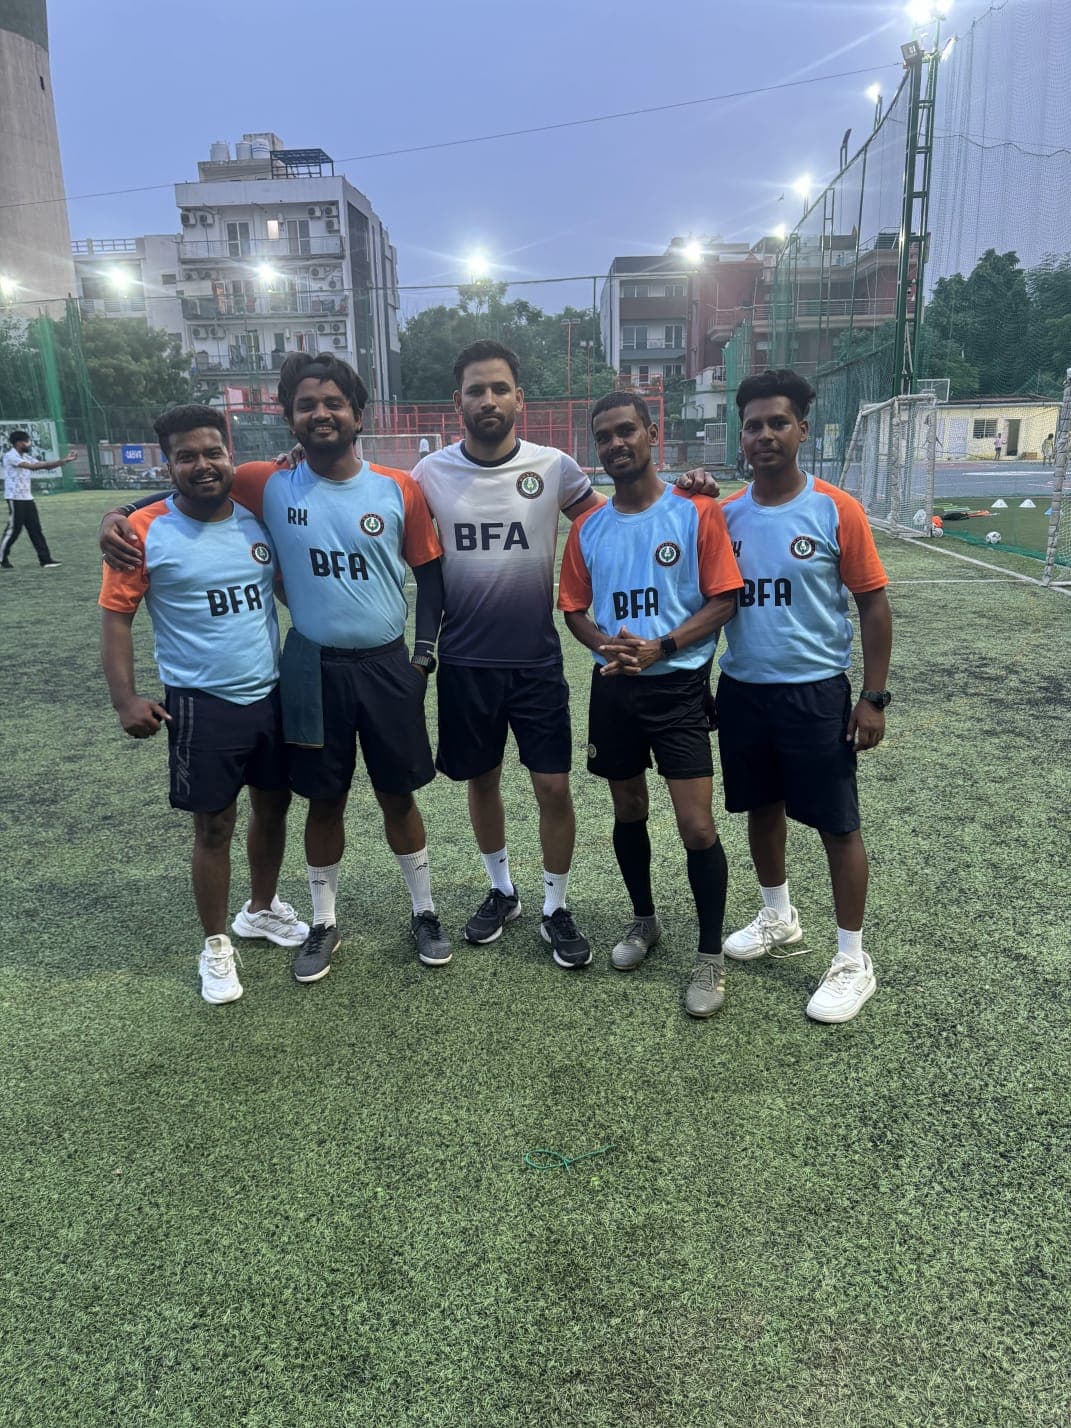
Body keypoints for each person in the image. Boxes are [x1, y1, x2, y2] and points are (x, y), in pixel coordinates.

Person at [99, 354, 450, 981]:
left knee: (399, 796)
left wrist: (423, 657)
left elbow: (429, 570)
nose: (322, 413)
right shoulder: (266, 481)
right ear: (289, 417)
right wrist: (119, 514)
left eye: (333, 402)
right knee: (323, 798)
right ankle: (321, 922)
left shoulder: (400, 487)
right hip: (311, 670)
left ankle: (424, 912)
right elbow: (188, 483)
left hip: (388, 666)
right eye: (307, 404)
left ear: (357, 414)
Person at [411, 341, 719, 969]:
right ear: (458, 402)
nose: (488, 400)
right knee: (483, 781)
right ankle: (503, 891)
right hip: (466, 660)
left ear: (519, 398)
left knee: (553, 785)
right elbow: (374, 502)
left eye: (500, 388)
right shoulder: (428, 475)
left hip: (536, 661)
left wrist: (690, 492)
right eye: (476, 390)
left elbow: (618, 523)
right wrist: (300, 460)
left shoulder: (555, 467)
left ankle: (555, 905)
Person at [99, 405, 307, 1005]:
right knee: (214, 826)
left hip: (270, 695)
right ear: (168, 463)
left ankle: (260, 910)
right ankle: (216, 946)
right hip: (200, 705)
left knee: (273, 809)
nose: (202, 465)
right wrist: (124, 700)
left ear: (229, 453)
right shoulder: (144, 531)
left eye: (212, 452)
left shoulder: (255, 522)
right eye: (186, 456)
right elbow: (117, 616)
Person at [716, 369, 892, 1024]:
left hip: (815, 695)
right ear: (742, 435)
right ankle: (777, 917)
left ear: (801, 431)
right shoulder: (725, 516)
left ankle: (852, 959)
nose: (763, 435)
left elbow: (872, 606)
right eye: (753, 424)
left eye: (776, 423)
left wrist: (871, 696)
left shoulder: (833, 508)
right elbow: (710, 606)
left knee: (836, 825)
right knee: (760, 811)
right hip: (743, 690)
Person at [558, 393, 742, 1016]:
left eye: (626, 431)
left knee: (696, 825)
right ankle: (645, 921)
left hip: (678, 687)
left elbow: (724, 599)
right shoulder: (588, 527)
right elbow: (574, 610)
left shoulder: (695, 512)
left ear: (652, 433)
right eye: (604, 436)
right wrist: (611, 647)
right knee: (628, 806)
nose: (616, 445)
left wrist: (660, 647)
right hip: (614, 685)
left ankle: (711, 958)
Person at [1, 430, 75, 569]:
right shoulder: (10, 456)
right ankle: (2, 558)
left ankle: (45, 560)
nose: (29, 444)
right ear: (19, 443)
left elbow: (44, 465)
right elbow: (33, 467)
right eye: (27, 441)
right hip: (15, 498)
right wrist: (58, 461)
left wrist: (64, 461)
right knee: (13, 530)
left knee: (35, 529)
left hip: (27, 498)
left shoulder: (26, 456)